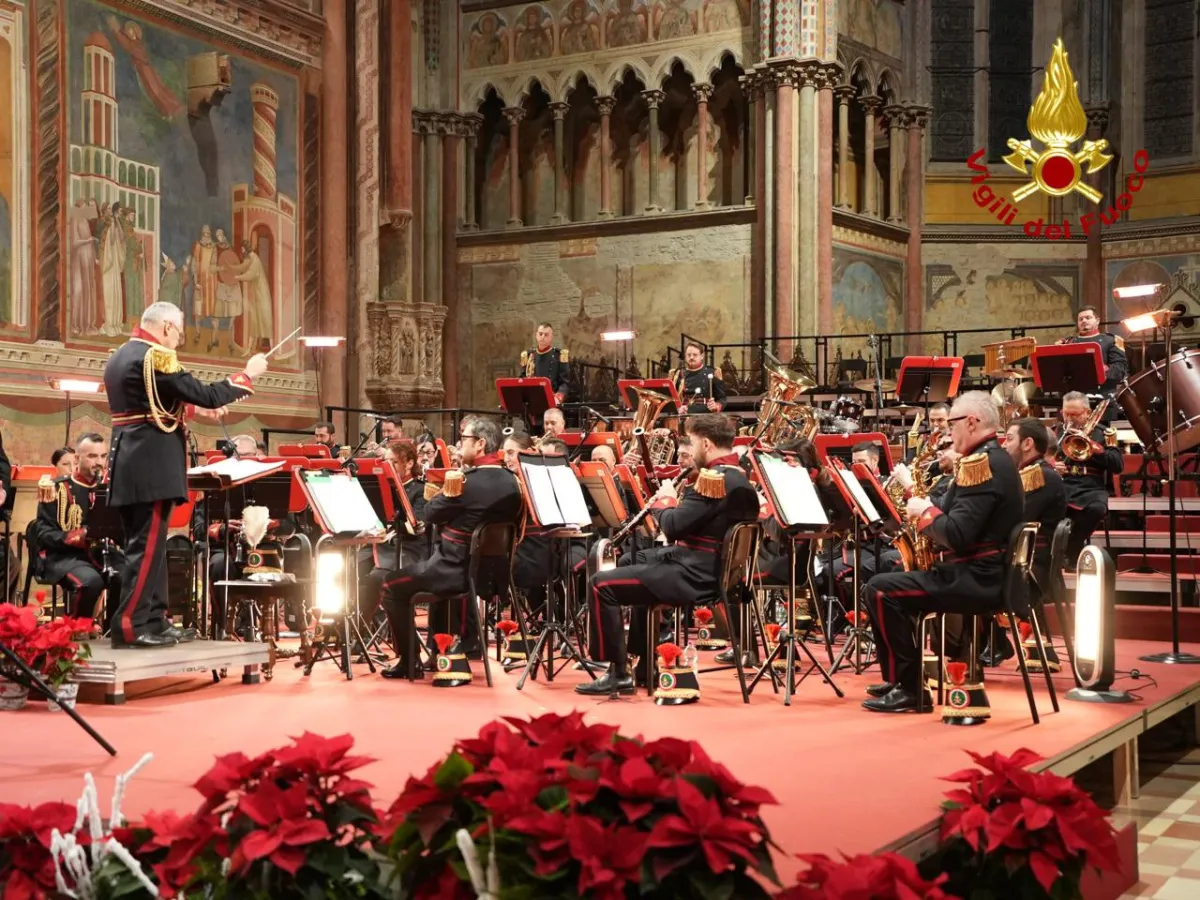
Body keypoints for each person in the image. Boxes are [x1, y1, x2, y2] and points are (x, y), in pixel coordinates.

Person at [104, 302, 267, 648]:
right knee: (145, 550)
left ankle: (156, 618)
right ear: (165, 327)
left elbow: (153, 402)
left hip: (132, 462)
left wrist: (195, 410)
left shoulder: (122, 355)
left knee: (150, 547)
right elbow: (205, 392)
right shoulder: (157, 356)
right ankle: (132, 624)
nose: (178, 340)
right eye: (178, 332)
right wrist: (247, 375)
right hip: (150, 465)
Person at [862, 391, 1023, 713]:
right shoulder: (993, 458)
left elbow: (957, 534)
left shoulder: (983, 465)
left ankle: (910, 689)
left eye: (952, 424)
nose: (949, 433)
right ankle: (899, 679)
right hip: (983, 573)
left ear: (972, 422)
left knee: (880, 591)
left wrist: (924, 513)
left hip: (978, 579)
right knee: (887, 580)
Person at [577, 414, 759, 696]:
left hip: (692, 574)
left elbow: (673, 526)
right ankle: (644, 664)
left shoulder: (714, 480)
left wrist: (664, 500)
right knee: (630, 561)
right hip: (710, 568)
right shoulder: (739, 478)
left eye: (695, 443)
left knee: (600, 584)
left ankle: (616, 671)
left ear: (707, 444)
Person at [379, 416, 522, 678]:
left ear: (479, 444)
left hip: (454, 571)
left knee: (391, 584)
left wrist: (443, 488)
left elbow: (431, 513)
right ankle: (442, 651)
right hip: (492, 574)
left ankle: (409, 660)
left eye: (464, 439)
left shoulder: (466, 482)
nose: (459, 444)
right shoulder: (512, 481)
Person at [986, 417, 1067, 667]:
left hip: (1032, 564)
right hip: (1024, 557)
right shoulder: (1029, 473)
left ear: (1027, 443)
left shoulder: (1039, 476)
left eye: (1009, 438)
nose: (1004, 444)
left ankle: (985, 647)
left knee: (967, 573)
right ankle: (994, 644)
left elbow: (1013, 520)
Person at [32, 433, 125, 624]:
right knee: (91, 582)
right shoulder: (56, 489)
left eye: (103, 456)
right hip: (64, 556)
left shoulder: (110, 490)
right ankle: (76, 631)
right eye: (92, 456)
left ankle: (112, 631)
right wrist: (73, 537)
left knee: (127, 576)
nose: (99, 462)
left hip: (101, 553)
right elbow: (43, 534)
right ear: (77, 458)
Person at [1055, 391, 1122, 563]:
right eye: (1066, 413)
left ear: (1087, 412)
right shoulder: (1054, 433)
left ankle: (1072, 548)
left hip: (1090, 486)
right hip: (1062, 483)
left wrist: (1094, 448)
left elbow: (1117, 465)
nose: (1070, 419)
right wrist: (1052, 466)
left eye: (1075, 414)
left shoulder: (1104, 433)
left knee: (1097, 509)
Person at [1057, 306, 1127, 415]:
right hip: (1073, 401)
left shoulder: (1111, 340)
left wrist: (1101, 369)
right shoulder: (1068, 342)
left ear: (1097, 321)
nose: (1084, 321)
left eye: (1088, 317)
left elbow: (1121, 369)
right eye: (1081, 319)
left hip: (1103, 400)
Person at [520, 322, 570, 406]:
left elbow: (565, 383)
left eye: (546, 335)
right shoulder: (528, 355)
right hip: (531, 401)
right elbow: (522, 378)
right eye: (540, 334)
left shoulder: (560, 355)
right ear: (536, 335)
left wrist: (558, 397)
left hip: (552, 400)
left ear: (551, 337)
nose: (542, 337)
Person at [670, 340, 726, 413]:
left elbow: (722, 398)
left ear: (702, 356)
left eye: (695, 355)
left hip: (707, 415)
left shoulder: (712, 372)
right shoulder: (678, 374)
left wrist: (715, 406)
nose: (691, 357)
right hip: (684, 415)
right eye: (689, 355)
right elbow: (671, 399)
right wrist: (678, 409)